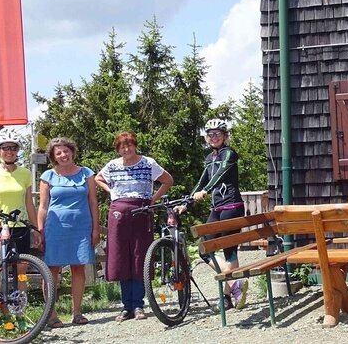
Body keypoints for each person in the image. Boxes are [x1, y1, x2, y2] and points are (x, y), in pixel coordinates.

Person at [96, 131, 174, 322]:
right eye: (122, 146)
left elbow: (168, 180)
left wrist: (152, 200)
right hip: (118, 214)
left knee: (140, 256)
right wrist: (111, 190)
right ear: (118, 149)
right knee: (121, 257)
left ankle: (139, 305)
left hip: (141, 211)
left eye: (129, 145)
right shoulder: (113, 165)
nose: (126, 149)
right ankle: (126, 306)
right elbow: (98, 178)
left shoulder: (148, 163)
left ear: (135, 145)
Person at [177, 119, 247, 309]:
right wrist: (186, 203)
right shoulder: (209, 158)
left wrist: (206, 191)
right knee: (204, 250)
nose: (213, 137)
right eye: (210, 134)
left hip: (232, 206)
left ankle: (226, 297)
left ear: (225, 136)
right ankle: (235, 284)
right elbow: (202, 181)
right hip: (216, 209)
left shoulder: (229, 154)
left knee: (229, 250)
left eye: (217, 133)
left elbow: (220, 175)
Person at [37, 137, 99, 328]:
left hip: (81, 227)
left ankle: (77, 312)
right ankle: (51, 314)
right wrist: (40, 231)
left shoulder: (86, 173)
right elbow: (43, 206)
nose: (63, 155)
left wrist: (96, 228)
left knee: (78, 268)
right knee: (52, 270)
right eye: (58, 153)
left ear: (72, 151)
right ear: (53, 157)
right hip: (55, 228)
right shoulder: (48, 176)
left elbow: (93, 202)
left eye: (66, 151)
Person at [0, 128, 42, 255]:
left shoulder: (25, 173)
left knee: (21, 267)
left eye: (13, 148)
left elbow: (29, 204)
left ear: (17, 151)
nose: (10, 151)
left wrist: (36, 229)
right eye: (5, 147)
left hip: (20, 225)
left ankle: (20, 276)